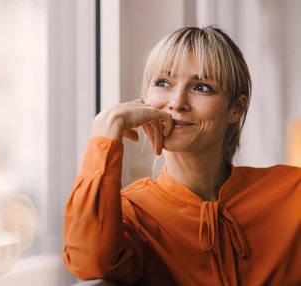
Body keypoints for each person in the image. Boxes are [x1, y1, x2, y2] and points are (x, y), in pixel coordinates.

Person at [63, 26, 301, 285]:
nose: (177, 102)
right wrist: (105, 130)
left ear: (237, 108)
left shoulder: (292, 192)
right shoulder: (132, 214)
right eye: (163, 83)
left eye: (201, 86)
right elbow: (89, 263)